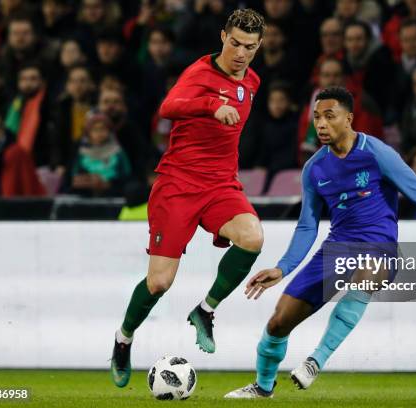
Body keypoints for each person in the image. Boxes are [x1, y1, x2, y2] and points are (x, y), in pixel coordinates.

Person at [224, 86, 416, 398]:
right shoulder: (315, 168)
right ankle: (263, 388)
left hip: (380, 249)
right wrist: (282, 268)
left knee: (367, 271)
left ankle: (316, 360)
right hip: (336, 249)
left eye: (329, 116)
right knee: (279, 322)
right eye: (316, 117)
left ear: (348, 119)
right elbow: (307, 226)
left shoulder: (377, 153)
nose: (320, 124)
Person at [110, 8, 266, 388]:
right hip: (178, 185)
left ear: (259, 46)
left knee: (253, 238)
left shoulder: (254, 81)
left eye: (249, 46)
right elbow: (168, 107)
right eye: (235, 43)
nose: (241, 53)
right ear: (222, 37)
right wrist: (213, 106)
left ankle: (205, 310)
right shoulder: (200, 73)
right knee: (159, 283)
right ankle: (123, 339)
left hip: (220, 186)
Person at [66, 112, 131, 197]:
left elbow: (126, 173)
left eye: (103, 129)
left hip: (113, 192)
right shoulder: (82, 152)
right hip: (86, 193)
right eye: (95, 130)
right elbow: (74, 174)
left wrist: (109, 183)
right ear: (88, 133)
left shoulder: (117, 151)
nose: (99, 133)